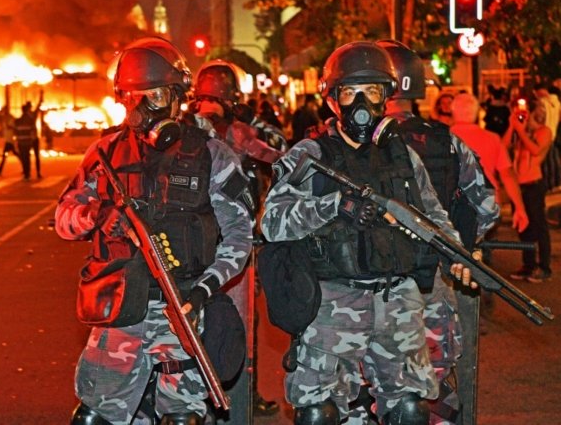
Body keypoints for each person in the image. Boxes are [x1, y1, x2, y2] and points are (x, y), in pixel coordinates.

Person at [260, 41, 477, 425]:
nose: (361, 103)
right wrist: (334, 205)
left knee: (410, 410)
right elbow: (272, 222)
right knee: (319, 413)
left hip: (398, 301)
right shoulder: (311, 155)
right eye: (350, 92)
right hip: (333, 303)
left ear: (385, 97)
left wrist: (456, 255)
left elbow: (433, 215)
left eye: (372, 91)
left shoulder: (402, 154)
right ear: (332, 100)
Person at [55, 37, 254, 425]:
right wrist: (98, 214)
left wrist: (204, 289)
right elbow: (64, 218)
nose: (144, 109)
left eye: (157, 96)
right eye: (135, 98)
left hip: (182, 307)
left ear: (178, 98)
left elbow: (239, 234)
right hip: (120, 309)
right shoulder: (105, 154)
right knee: (94, 418)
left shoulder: (211, 155)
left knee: (182, 418)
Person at [379, 40, 500, 425]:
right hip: (431, 284)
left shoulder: (352, 143)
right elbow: (487, 207)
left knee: (370, 390)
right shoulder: (446, 141)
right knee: (433, 390)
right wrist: (456, 248)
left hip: (366, 290)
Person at [186, 59, 286, 418]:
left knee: (190, 322)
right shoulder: (239, 132)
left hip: (190, 243)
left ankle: (193, 398)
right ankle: (241, 397)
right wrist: (253, 119)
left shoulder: (181, 126)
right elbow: (280, 152)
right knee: (238, 325)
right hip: (235, 239)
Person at [450, 92, 529, 234]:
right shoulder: (492, 138)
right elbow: (507, 175)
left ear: (453, 112)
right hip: (487, 205)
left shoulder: (442, 139)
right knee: (485, 244)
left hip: (453, 205)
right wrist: (520, 208)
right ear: (476, 114)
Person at [503, 97, 554, 283]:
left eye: (524, 111)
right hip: (518, 187)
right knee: (524, 228)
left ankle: (544, 267)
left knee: (539, 226)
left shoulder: (544, 131)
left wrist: (520, 130)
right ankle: (528, 264)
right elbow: (503, 147)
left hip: (533, 185)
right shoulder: (520, 131)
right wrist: (512, 126)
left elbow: (535, 150)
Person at [13, 103, 36, 180]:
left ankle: (26, 173)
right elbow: (33, 131)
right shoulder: (30, 120)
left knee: (23, 157)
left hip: (21, 142)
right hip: (27, 142)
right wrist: (32, 141)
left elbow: (15, 132)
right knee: (27, 157)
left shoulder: (18, 121)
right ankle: (27, 174)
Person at [0, 105, 16, 175]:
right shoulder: (4, 119)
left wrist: (8, 125)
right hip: (8, 139)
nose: (3, 112)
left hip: (10, 139)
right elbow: (3, 129)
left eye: (4, 110)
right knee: (15, 154)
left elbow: (13, 127)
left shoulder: (11, 118)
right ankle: (25, 166)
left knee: (4, 155)